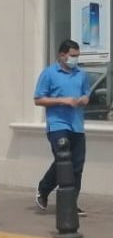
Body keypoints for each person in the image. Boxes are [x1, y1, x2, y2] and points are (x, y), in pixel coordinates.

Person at [34, 39, 90, 216]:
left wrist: (83, 100)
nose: (75, 59)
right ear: (62, 55)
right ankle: (43, 190)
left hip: (77, 126)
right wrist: (62, 100)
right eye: (73, 56)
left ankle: (70, 203)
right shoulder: (49, 74)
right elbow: (38, 99)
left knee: (76, 166)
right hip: (58, 125)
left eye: (77, 56)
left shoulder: (82, 74)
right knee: (63, 160)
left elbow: (87, 95)